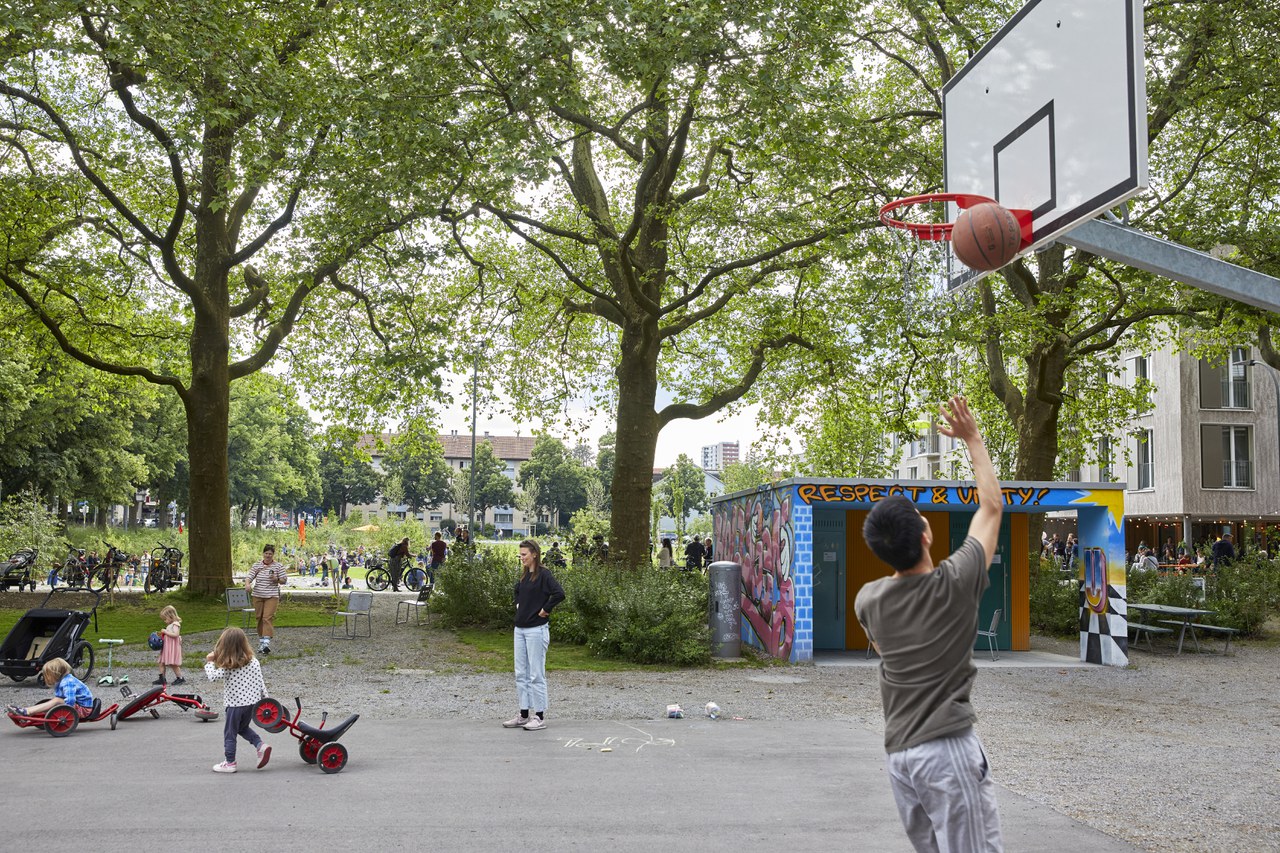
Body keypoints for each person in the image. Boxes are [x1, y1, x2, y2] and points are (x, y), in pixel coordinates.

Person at [853, 395, 1004, 851]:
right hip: (947, 752)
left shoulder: (869, 599)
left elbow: (884, 649)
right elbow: (992, 508)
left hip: (901, 758)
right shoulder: (955, 583)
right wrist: (972, 438)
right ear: (925, 535)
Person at [502, 539, 565, 732]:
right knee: (521, 673)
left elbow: (559, 593)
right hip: (519, 629)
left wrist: (545, 610)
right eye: (520, 555)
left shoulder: (544, 575)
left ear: (534, 554)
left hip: (536, 630)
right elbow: (518, 593)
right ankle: (523, 714)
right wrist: (519, 606)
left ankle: (539, 716)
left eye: (524, 555)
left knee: (536, 674)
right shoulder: (524, 577)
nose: (521, 558)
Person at [204, 627, 271, 774]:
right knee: (242, 728)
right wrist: (265, 700)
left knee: (230, 732)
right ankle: (260, 745)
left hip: (235, 706)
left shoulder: (229, 665)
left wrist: (209, 662)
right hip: (252, 704)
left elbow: (212, 677)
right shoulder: (253, 661)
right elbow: (261, 683)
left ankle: (230, 762)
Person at [6, 657, 94, 719]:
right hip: (77, 706)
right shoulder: (62, 681)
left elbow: (70, 701)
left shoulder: (68, 682)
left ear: (56, 673)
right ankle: (26, 711)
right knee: (56, 700)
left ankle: (26, 712)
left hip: (84, 710)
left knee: (57, 701)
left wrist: (62, 712)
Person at [246, 544, 287, 655]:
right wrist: (247, 584)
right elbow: (249, 576)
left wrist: (277, 579)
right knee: (259, 617)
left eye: (270, 554)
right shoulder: (257, 565)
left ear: (273, 555)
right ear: (263, 554)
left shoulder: (278, 566)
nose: (268, 555)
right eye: (266, 553)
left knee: (267, 618)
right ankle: (261, 642)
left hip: (272, 596)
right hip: (258, 595)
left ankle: (266, 644)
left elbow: (284, 580)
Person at [155, 605, 186, 686]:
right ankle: (162, 678)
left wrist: (165, 632)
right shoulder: (170, 625)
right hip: (167, 647)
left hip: (172, 647)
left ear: (171, 616)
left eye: (165, 619)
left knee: (173, 664)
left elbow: (176, 634)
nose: (165, 621)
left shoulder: (176, 624)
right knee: (162, 662)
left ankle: (180, 678)